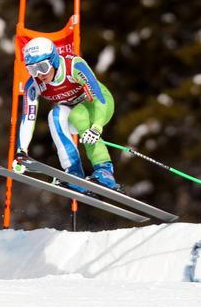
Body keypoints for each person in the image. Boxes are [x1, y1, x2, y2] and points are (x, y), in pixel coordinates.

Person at [11, 36, 121, 192]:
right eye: (32, 69)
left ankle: (105, 171)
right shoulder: (34, 84)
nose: (39, 74)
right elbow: (28, 117)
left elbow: (98, 97)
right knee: (54, 116)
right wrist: (21, 151)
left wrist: (96, 127)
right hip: (73, 111)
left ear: (54, 60)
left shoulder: (73, 66)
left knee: (78, 115)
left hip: (99, 105)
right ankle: (73, 172)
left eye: (42, 67)